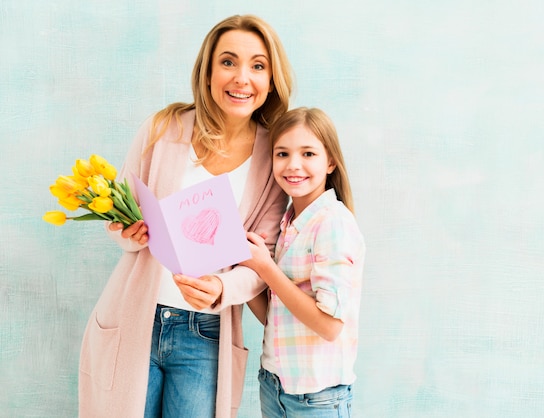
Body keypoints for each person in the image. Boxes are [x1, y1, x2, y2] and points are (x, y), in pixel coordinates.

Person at [78, 14, 293, 418]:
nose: (241, 78)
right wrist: (131, 233)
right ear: (208, 71)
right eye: (228, 61)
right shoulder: (163, 129)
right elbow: (116, 219)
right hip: (134, 317)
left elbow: (259, 262)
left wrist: (221, 287)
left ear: (271, 79)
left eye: (257, 65)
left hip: (206, 334)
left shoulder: (274, 157)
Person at [240, 107, 366, 418]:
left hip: (317, 399)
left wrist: (267, 269)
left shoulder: (332, 223)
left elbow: (329, 325)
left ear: (330, 162)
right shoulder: (288, 225)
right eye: (282, 154)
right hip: (275, 386)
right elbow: (278, 316)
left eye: (308, 153)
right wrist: (245, 266)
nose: (293, 165)